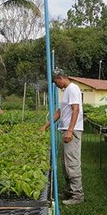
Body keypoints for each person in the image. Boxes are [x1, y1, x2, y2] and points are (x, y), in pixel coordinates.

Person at [40, 69, 84, 205]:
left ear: (60, 78)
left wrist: (70, 130)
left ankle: (77, 195)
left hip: (72, 130)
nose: (55, 85)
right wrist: (45, 126)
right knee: (65, 164)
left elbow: (75, 110)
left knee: (72, 162)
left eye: (55, 82)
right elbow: (59, 112)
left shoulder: (73, 89)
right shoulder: (66, 91)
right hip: (66, 130)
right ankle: (69, 191)